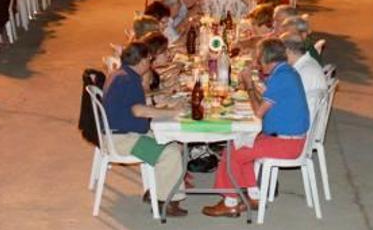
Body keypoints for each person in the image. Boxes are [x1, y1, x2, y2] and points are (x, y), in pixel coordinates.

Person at [202, 39, 310, 217]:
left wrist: (249, 85)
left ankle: (230, 202)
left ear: (267, 60)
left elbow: (259, 112)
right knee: (240, 141)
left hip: (287, 143)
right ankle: (254, 195)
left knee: (233, 151)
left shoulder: (282, 77)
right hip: (285, 137)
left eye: (259, 61)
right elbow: (270, 99)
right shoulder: (286, 71)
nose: (259, 66)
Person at [102, 42, 186, 217]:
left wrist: (165, 107)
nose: (150, 63)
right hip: (122, 139)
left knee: (173, 143)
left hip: (122, 132)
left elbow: (134, 105)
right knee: (170, 153)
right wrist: (172, 111)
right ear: (140, 61)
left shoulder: (122, 74)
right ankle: (166, 201)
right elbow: (138, 110)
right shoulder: (129, 80)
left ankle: (157, 190)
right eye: (148, 59)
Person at [282, 33, 327, 116]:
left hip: (300, 121)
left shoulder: (301, 72)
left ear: (288, 51)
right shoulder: (307, 62)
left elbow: (288, 104)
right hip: (306, 116)